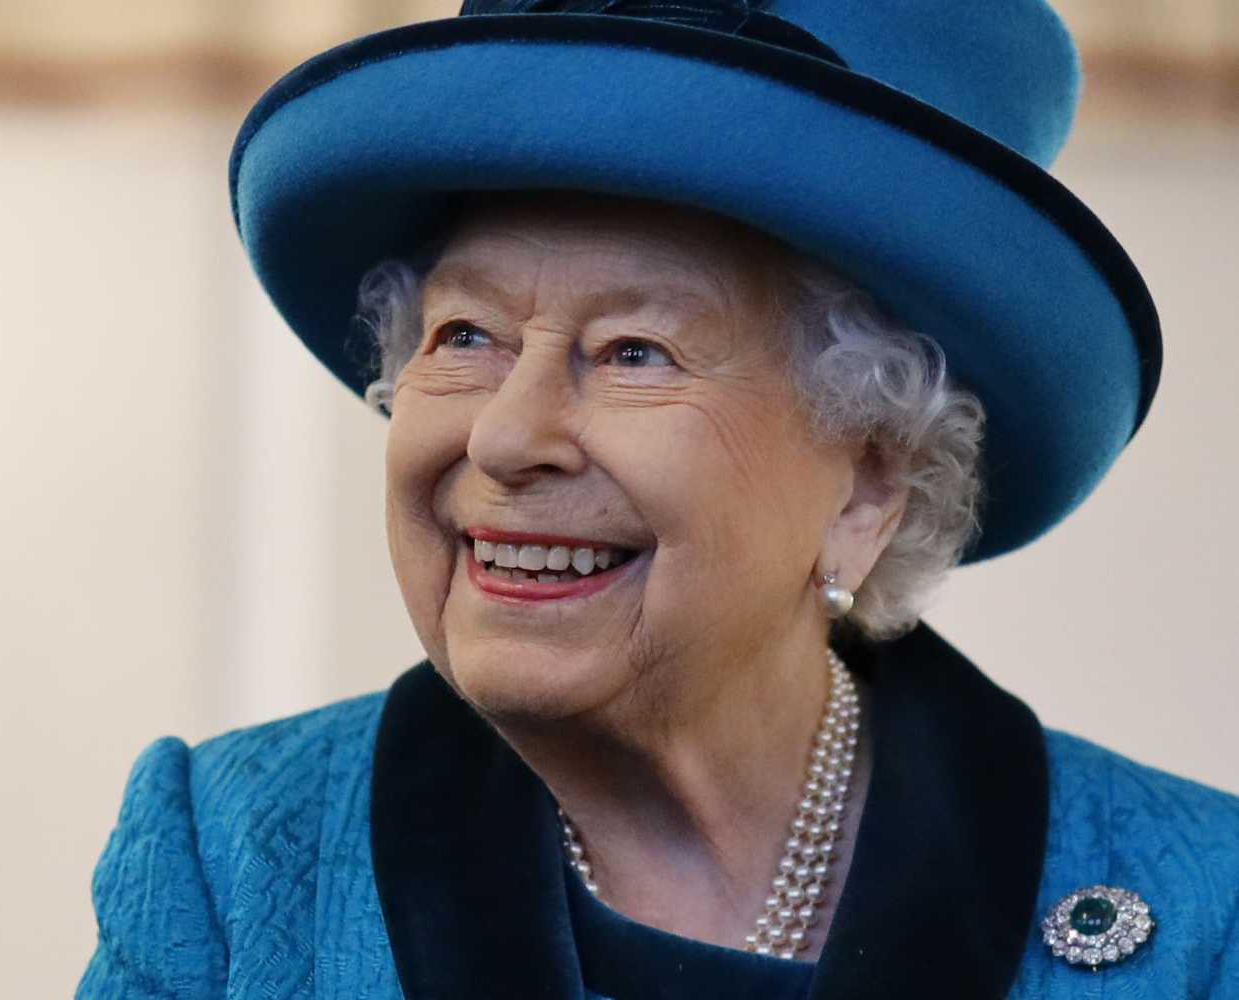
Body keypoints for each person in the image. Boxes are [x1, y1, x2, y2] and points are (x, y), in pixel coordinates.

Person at [77, 2, 1239, 997]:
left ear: (869, 484)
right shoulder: (227, 858)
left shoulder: (1198, 912)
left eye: (635, 352)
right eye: (465, 335)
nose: (507, 432)